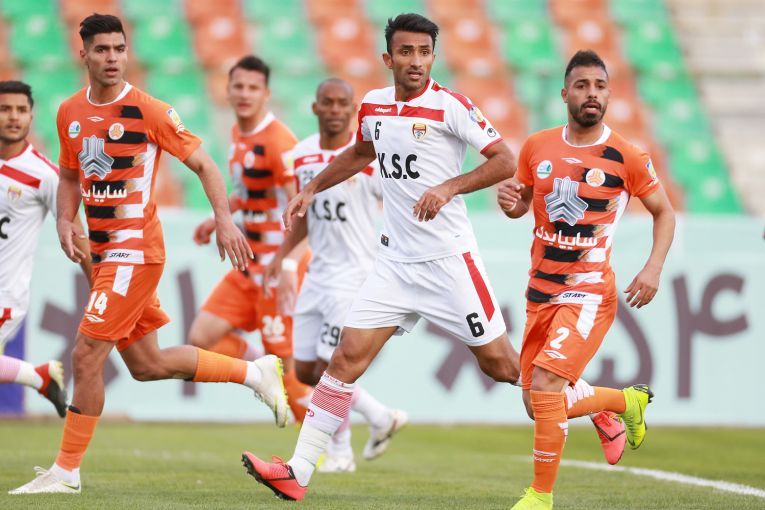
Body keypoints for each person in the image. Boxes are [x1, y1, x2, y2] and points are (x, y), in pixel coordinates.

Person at [241, 13, 521, 501]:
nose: (416, 61)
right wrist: (311, 189)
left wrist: (449, 187)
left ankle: (601, 403)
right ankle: (298, 471)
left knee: (502, 367)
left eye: (424, 52)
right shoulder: (373, 104)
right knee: (344, 359)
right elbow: (360, 152)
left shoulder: (452, 106)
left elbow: (505, 160)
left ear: (433, 57)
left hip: (447, 261)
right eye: (406, 52)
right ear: (388, 58)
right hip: (393, 264)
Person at [9, 14, 287, 495]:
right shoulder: (70, 111)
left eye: (119, 49)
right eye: (102, 49)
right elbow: (70, 176)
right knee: (147, 365)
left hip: (135, 251)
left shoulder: (150, 110)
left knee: (85, 355)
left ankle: (66, 472)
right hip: (103, 255)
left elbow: (205, 165)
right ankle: (254, 372)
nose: (112, 58)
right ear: (84, 54)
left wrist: (224, 220)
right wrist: (63, 220)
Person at [497, 50, 676, 510]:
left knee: (547, 385)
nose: (591, 93)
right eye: (581, 85)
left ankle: (540, 497)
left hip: (589, 290)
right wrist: (511, 202)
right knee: (535, 404)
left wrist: (653, 267)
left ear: (610, 94)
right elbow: (521, 205)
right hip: (540, 290)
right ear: (564, 94)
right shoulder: (536, 147)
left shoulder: (627, 155)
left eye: (599, 86)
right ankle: (623, 402)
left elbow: (664, 212)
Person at [264, 78, 407, 473]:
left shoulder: (369, 158)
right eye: (327, 102)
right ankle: (380, 416)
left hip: (354, 275)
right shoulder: (301, 155)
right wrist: (283, 256)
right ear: (315, 108)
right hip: (317, 275)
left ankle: (341, 453)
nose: (335, 110)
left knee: (331, 369)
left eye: (343, 103)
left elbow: (398, 205)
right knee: (305, 370)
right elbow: (305, 213)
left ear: (353, 110)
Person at [188, 55, 313, 423]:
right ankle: (261, 369)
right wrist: (219, 218)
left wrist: (288, 264)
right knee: (202, 338)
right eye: (239, 86)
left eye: (253, 88)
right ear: (227, 91)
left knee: (288, 364)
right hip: (249, 261)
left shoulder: (279, 142)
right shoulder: (238, 134)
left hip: (277, 265)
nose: (245, 94)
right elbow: (249, 192)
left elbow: (301, 210)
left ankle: (325, 445)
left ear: (266, 94)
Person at [0, 80, 90, 417]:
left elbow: (78, 236)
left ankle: (36, 377)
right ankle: (38, 377)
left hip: (5, 293)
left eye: (21, 110)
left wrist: (101, 291)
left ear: (31, 117)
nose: (13, 117)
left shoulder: (45, 175)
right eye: (5, 109)